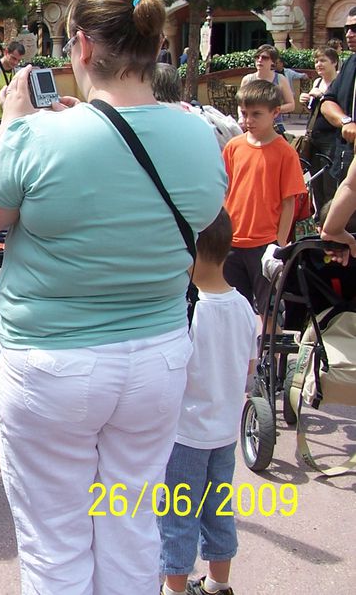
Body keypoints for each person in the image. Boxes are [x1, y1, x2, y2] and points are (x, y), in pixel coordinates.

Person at [0, 0, 226, 594]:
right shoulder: (201, 136)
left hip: (53, 364)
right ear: (156, 46)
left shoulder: (40, 136)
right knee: (132, 531)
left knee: (56, 542)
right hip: (156, 358)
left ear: (80, 46)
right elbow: (203, 212)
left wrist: (12, 123)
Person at [159, 209, 257, 595]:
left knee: (178, 514)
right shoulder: (245, 308)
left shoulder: (190, 311)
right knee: (219, 508)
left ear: (190, 253)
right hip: (225, 433)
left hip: (186, 434)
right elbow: (249, 370)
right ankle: (218, 583)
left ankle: (174, 587)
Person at [222, 79, 307, 313]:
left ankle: (267, 350)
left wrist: (279, 244)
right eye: (244, 113)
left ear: (275, 112)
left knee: (269, 310)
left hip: (265, 244)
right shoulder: (233, 146)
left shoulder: (285, 153)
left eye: (256, 114)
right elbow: (225, 190)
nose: (248, 120)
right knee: (236, 310)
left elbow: (289, 202)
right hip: (233, 241)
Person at [317, 7, 356, 184]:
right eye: (346, 29)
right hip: (344, 154)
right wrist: (346, 121)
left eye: (355, 28)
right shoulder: (350, 62)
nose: (349, 34)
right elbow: (327, 102)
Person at [299, 46, 341, 210]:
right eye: (316, 61)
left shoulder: (338, 83)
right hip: (314, 136)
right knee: (313, 177)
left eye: (323, 60)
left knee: (329, 179)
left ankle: (329, 214)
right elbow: (314, 110)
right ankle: (318, 214)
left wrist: (322, 97)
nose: (319, 64)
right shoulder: (317, 82)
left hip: (331, 137)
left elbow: (340, 109)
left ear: (334, 62)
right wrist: (306, 101)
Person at [240, 45, 295, 135]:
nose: (259, 60)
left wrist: (271, 110)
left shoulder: (280, 79)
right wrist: (241, 118)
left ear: (272, 61)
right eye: (257, 57)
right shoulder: (247, 79)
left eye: (264, 58)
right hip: (251, 125)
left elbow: (291, 105)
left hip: (274, 126)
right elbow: (240, 104)